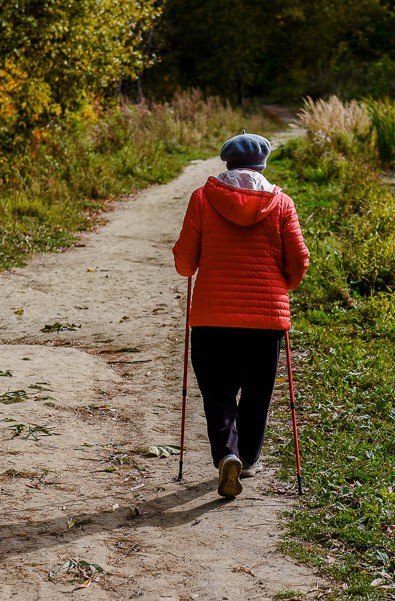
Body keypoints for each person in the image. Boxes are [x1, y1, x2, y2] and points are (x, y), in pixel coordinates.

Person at [172, 131, 310, 498]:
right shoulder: (281, 203)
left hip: (211, 317)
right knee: (257, 391)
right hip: (265, 320)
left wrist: (191, 264)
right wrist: (285, 286)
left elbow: (185, 261)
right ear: (263, 164)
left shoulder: (203, 199)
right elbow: (298, 261)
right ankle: (247, 460)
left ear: (227, 162)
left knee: (217, 392)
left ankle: (226, 454)